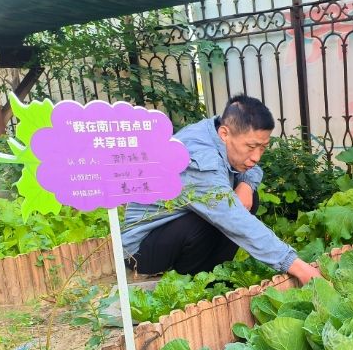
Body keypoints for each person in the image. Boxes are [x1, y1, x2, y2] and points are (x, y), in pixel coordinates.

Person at [121, 94, 321, 284]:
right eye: (251, 147)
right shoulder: (200, 159)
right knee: (220, 215)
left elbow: (253, 170)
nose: (256, 157)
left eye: (262, 147)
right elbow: (235, 221)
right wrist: (297, 267)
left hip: (170, 230)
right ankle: (198, 281)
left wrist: (246, 184)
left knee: (246, 196)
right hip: (142, 251)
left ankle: (211, 272)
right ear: (224, 133)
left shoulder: (216, 130)